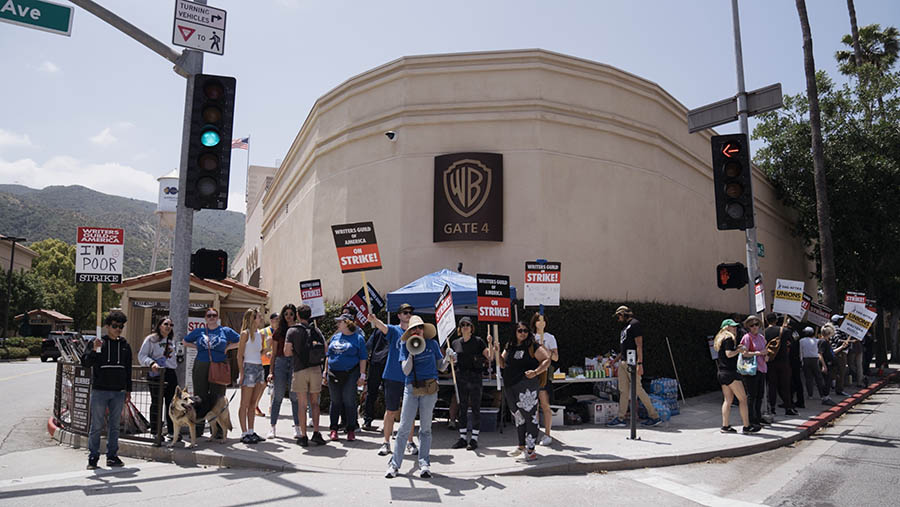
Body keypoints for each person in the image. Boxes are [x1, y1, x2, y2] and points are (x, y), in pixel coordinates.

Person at [385, 315, 451, 479]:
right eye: (413, 328)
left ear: (423, 330)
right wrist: (411, 354)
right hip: (411, 388)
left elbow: (441, 367)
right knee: (404, 428)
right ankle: (395, 465)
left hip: (429, 388)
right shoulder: (404, 346)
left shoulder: (432, 344)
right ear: (409, 331)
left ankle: (424, 463)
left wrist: (448, 358)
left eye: (420, 328)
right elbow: (405, 371)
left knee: (426, 428)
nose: (417, 330)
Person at [83, 311, 132, 469]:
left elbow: (128, 369)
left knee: (115, 426)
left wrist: (128, 390)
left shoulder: (125, 345)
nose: (118, 329)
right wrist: (93, 350)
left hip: (118, 391)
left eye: (121, 326)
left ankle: (112, 456)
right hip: (100, 390)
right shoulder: (97, 342)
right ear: (107, 326)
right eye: (115, 326)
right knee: (96, 425)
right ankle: (93, 457)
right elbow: (85, 363)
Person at [369, 303, 418, 457]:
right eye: (405, 312)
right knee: (390, 411)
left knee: (409, 413)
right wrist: (375, 320)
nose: (408, 315)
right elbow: (383, 327)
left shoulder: (416, 333)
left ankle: (410, 442)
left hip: (410, 377)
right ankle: (386, 442)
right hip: (392, 376)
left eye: (410, 312)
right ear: (399, 315)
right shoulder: (394, 330)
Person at [183, 307, 241, 438]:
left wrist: (228, 347)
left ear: (217, 317)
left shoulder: (225, 330)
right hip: (201, 365)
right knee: (199, 397)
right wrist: (196, 346)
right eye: (209, 315)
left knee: (218, 397)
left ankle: (219, 430)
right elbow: (185, 341)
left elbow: (241, 340)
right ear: (205, 318)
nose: (211, 317)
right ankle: (198, 428)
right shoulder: (199, 331)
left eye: (214, 315)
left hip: (219, 365)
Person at [498, 321, 551, 461]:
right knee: (518, 416)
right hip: (510, 385)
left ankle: (530, 450)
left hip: (527, 386)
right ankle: (521, 445)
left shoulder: (533, 346)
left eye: (526, 331)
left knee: (530, 417)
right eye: (520, 330)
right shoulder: (510, 346)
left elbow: (547, 359)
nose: (523, 333)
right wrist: (496, 351)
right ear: (515, 332)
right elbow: (502, 363)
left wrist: (536, 371)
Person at [607, 306, 662, 426]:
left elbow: (639, 345)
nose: (618, 319)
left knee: (638, 389)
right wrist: (615, 360)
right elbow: (625, 348)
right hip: (623, 362)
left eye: (619, 316)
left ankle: (655, 416)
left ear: (624, 314)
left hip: (632, 363)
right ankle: (620, 418)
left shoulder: (635, 324)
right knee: (623, 391)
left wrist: (640, 363)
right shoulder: (625, 328)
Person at [284, 304, 328, 446]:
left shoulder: (292, 331)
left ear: (297, 315)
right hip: (315, 369)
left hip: (299, 369)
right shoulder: (316, 330)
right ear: (310, 315)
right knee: (315, 403)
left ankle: (303, 436)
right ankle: (316, 432)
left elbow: (287, 352)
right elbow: (325, 349)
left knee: (302, 404)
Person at [449, 316, 494, 451]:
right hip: (461, 378)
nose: (465, 327)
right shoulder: (455, 343)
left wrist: (491, 344)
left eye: (468, 324)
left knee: (475, 408)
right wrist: (450, 358)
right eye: (462, 325)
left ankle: (474, 439)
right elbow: (452, 361)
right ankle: (463, 437)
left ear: (472, 327)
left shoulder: (479, 341)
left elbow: (490, 356)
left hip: (475, 378)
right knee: (462, 407)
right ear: (460, 328)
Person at [324, 313, 367, 441]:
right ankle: (333, 429)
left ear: (348, 323)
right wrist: (325, 372)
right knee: (335, 401)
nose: (337, 324)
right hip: (333, 373)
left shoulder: (358, 339)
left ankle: (350, 429)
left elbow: (363, 358)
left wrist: (362, 376)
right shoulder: (335, 337)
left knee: (349, 401)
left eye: (340, 322)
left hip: (350, 373)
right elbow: (328, 355)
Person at [714, 319, 757, 433]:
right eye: (732, 326)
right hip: (730, 373)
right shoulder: (728, 338)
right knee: (743, 399)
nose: (735, 328)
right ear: (726, 327)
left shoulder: (720, 339)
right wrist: (739, 350)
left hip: (722, 373)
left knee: (728, 400)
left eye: (735, 327)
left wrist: (736, 349)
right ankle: (747, 426)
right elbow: (729, 354)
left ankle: (725, 426)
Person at [138, 317, 178, 439]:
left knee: (172, 403)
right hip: (156, 373)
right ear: (159, 325)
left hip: (170, 372)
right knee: (156, 402)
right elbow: (142, 355)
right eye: (165, 324)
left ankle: (172, 431)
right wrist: (151, 363)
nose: (168, 326)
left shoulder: (172, 340)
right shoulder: (151, 339)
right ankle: (155, 432)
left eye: (171, 324)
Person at [267, 304, 301, 439]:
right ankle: (272, 427)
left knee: (294, 397)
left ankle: (297, 427)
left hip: (294, 363)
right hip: (280, 363)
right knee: (278, 396)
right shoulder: (278, 332)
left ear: (295, 315)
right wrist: (270, 371)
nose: (288, 316)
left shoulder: (298, 330)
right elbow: (274, 353)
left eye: (291, 314)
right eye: (286, 314)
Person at [236, 308, 267, 443]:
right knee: (245, 403)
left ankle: (251, 430)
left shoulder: (260, 334)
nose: (261, 319)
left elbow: (258, 353)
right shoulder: (245, 334)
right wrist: (241, 373)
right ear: (252, 319)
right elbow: (239, 355)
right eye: (258, 316)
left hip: (259, 367)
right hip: (248, 367)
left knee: (253, 403)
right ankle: (244, 433)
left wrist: (267, 350)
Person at [530, 313, 558, 446]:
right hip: (532, 373)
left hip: (544, 374)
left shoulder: (550, 337)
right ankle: (533, 433)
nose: (541, 323)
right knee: (532, 406)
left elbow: (556, 358)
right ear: (534, 323)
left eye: (543, 321)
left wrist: (544, 348)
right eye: (538, 321)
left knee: (545, 405)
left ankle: (547, 434)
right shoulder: (529, 337)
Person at [764, 313, 798, 416]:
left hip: (770, 361)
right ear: (776, 320)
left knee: (772, 385)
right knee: (785, 385)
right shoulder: (784, 331)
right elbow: (793, 342)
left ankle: (772, 408)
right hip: (783, 361)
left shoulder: (764, 332)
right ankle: (788, 407)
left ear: (766, 320)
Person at [738, 315, 767, 427]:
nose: (754, 327)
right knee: (752, 395)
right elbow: (743, 352)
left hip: (762, 368)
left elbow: (765, 351)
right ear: (748, 327)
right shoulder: (746, 337)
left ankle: (758, 418)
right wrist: (758, 353)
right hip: (751, 370)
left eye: (756, 324)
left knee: (760, 395)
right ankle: (751, 419)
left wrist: (766, 356)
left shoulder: (761, 337)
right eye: (752, 325)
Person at [363, 322, 390, 431]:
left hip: (375, 363)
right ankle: (388, 424)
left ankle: (367, 420)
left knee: (371, 393)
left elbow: (368, 347)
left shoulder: (376, 331)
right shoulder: (395, 332)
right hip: (388, 364)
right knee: (389, 395)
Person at [799, 326, 834, 406]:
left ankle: (810, 394)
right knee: (819, 378)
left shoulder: (802, 341)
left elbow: (801, 351)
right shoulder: (817, 340)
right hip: (815, 360)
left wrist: (801, 361)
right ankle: (822, 394)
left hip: (806, 359)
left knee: (808, 378)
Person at [256, 312, 278, 417]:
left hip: (277, 362)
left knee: (274, 386)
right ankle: (255, 405)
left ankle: (272, 406)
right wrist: (267, 351)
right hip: (264, 362)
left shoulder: (281, 332)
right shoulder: (263, 332)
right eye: (277, 319)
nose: (278, 322)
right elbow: (257, 349)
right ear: (272, 320)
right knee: (263, 385)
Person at [825, 319, 850, 396]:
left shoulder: (830, 329)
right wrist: (846, 342)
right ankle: (839, 389)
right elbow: (838, 340)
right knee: (841, 371)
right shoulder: (837, 329)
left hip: (834, 352)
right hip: (840, 353)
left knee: (833, 371)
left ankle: (831, 387)